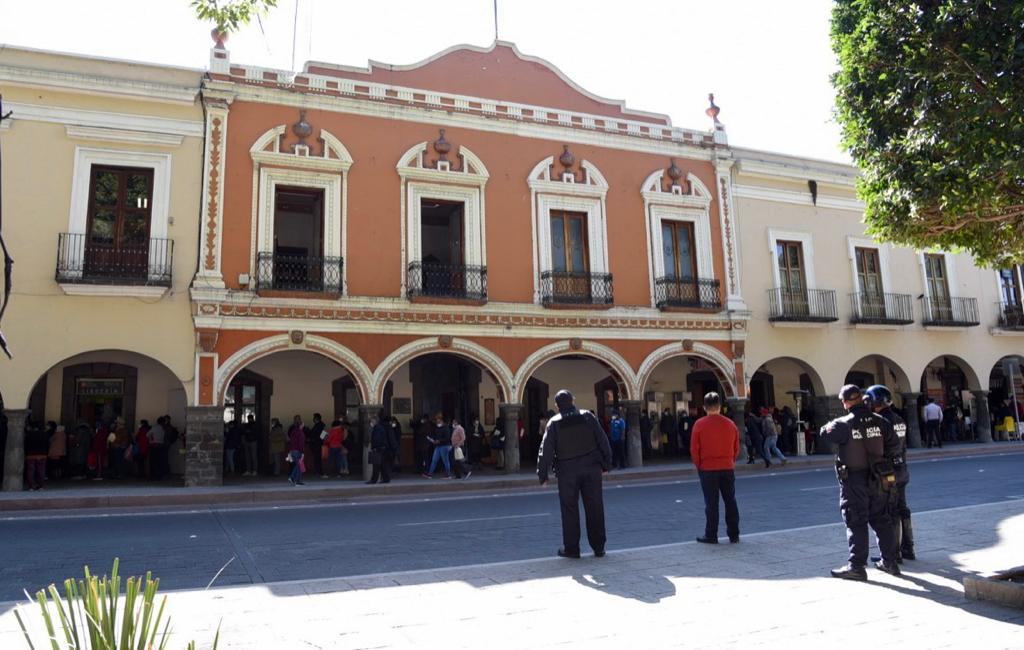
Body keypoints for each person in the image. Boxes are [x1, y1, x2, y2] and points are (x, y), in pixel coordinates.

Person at [818, 384, 902, 581]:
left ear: (845, 402)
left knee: (856, 521)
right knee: (882, 519)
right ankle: (890, 562)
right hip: (879, 477)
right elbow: (894, 445)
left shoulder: (843, 424)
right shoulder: (880, 421)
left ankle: (857, 566)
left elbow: (824, 432)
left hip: (855, 480)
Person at [537, 390, 612, 559]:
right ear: (573, 401)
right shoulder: (588, 416)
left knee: (569, 509)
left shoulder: (554, 422)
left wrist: (542, 474)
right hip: (591, 468)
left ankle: (572, 549)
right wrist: (607, 463)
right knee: (595, 506)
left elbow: (545, 450)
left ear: (557, 406)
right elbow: (602, 440)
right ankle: (599, 547)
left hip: (567, 471)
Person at [865, 385, 916, 563]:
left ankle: (893, 553)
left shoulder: (880, 421)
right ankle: (908, 547)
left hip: (888, 471)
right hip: (902, 468)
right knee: (902, 508)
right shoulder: (899, 419)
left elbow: (879, 448)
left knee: (890, 511)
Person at [690, 392, 741, 544]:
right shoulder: (730, 424)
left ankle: (711, 534)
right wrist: (730, 461)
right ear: (719, 406)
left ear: (705, 407)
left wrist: (700, 465)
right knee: (730, 501)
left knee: (711, 504)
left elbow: (694, 449)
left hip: (708, 469)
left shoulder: (699, 424)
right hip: (727, 467)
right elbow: (736, 448)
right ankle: (734, 534)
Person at [424, 413, 453, 478]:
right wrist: (433, 439)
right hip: (438, 446)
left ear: (441, 420)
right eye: (436, 419)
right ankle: (430, 474)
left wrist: (439, 440)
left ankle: (448, 475)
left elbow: (447, 437)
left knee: (445, 461)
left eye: (438, 419)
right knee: (434, 460)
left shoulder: (446, 427)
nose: (437, 420)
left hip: (445, 446)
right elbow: (435, 435)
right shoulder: (437, 427)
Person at [367, 415, 395, 484]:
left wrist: (375, 447)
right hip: (383, 448)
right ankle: (386, 478)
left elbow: (377, 439)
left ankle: (374, 480)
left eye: (371, 421)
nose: (371, 422)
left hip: (378, 449)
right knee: (383, 465)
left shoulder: (377, 428)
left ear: (375, 421)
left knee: (376, 465)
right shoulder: (380, 427)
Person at [24, 418, 49, 490]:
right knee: (41, 470)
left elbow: (26, 444)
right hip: (42, 454)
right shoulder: (44, 434)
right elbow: (47, 444)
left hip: (31, 454)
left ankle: (31, 486)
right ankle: (41, 486)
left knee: (30, 470)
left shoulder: (29, 434)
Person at [287, 415, 306, 485]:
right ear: (301, 425)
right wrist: (302, 452)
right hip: (298, 450)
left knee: (297, 465)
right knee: (299, 466)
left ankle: (293, 478)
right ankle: (296, 480)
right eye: (303, 424)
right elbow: (301, 443)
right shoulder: (301, 433)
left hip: (293, 450)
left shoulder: (293, 431)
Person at [148, 416, 168, 481]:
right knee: (161, 461)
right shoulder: (164, 428)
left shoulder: (154, 428)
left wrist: (151, 440)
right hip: (162, 446)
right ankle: (160, 475)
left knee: (153, 461)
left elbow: (147, 435)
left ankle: (154, 475)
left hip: (154, 446)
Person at [308, 413, 326, 478]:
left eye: (314, 418)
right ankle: (318, 471)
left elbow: (316, 435)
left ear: (316, 418)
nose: (313, 419)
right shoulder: (321, 425)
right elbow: (323, 435)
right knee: (317, 458)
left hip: (316, 444)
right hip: (318, 444)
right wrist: (321, 441)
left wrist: (315, 439)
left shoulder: (318, 426)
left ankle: (318, 471)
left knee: (317, 458)